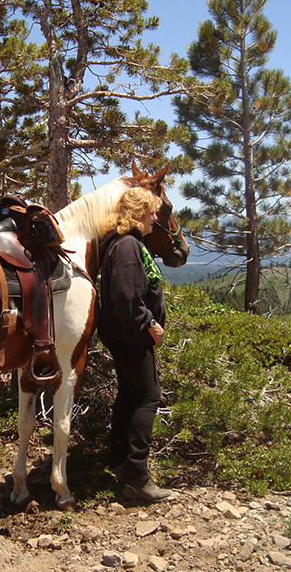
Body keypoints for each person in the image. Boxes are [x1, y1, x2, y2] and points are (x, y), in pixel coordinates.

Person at [98, 187, 172, 503]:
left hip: (126, 333)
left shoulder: (125, 243)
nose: (155, 218)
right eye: (151, 212)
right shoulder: (127, 245)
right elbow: (126, 297)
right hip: (131, 335)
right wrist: (150, 324)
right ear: (137, 213)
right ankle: (136, 479)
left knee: (129, 395)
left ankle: (117, 459)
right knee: (148, 397)